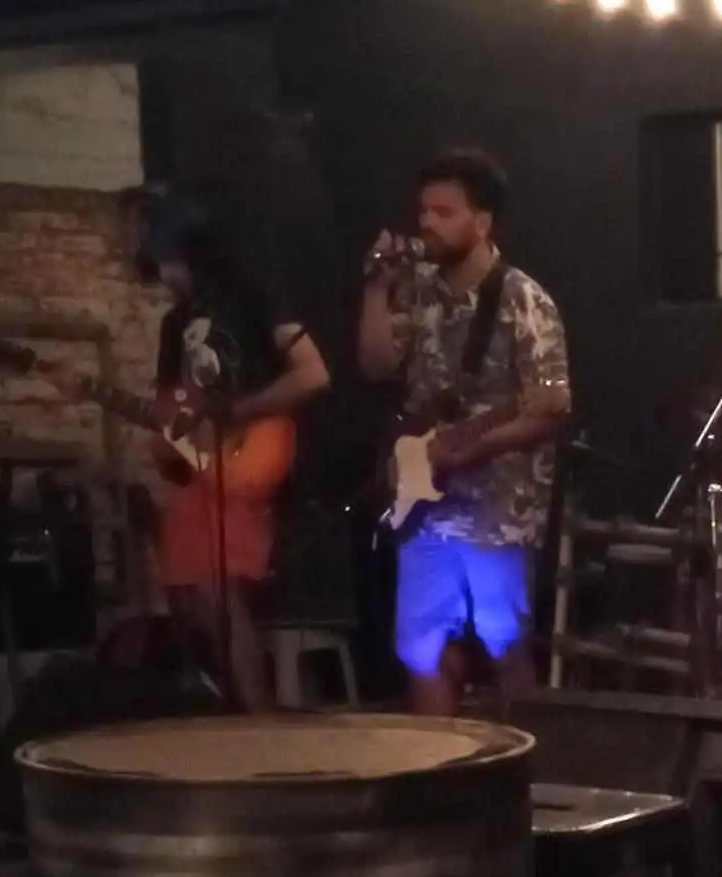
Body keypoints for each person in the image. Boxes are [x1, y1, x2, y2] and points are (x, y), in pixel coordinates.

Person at [358, 147, 572, 711]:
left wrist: (473, 450)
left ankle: (523, 753)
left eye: (444, 212)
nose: (427, 223)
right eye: (423, 211)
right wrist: (376, 289)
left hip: (498, 512)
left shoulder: (523, 299)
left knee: (505, 645)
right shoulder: (418, 289)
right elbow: (375, 366)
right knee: (419, 647)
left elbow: (550, 406)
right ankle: (440, 759)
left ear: (482, 222)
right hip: (425, 508)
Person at [125, 192, 329, 711]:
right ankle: (231, 707)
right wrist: (166, 439)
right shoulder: (174, 325)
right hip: (203, 469)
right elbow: (174, 408)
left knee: (218, 590)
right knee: (186, 590)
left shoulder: (252, 298)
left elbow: (312, 374)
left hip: (254, 451)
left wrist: (239, 412)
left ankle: (255, 719)